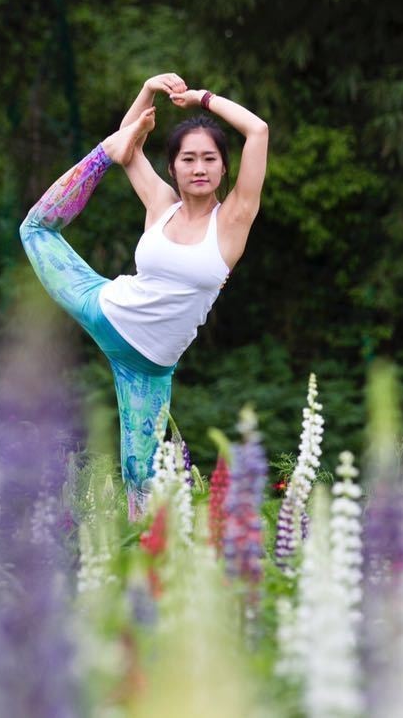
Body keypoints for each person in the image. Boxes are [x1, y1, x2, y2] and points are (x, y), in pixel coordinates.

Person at [20, 73, 269, 519]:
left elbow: (258, 130)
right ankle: (100, 155)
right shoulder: (161, 204)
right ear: (172, 168)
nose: (198, 168)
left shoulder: (233, 220)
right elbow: (129, 141)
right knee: (36, 229)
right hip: (102, 306)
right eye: (188, 159)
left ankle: (145, 553)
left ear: (223, 168)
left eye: (209, 159)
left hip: (148, 368)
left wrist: (202, 98)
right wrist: (147, 90)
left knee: (140, 476)